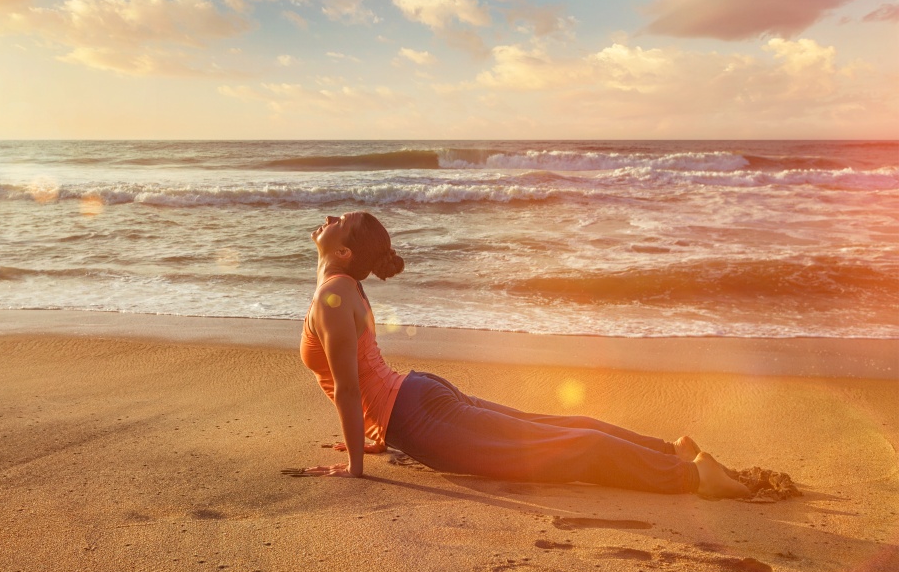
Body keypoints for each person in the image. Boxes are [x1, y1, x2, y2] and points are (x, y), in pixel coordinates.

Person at [290, 211, 751, 499]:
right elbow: (359, 378)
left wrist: (354, 465)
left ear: (344, 250)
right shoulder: (344, 291)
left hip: (417, 413)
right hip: (414, 399)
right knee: (550, 427)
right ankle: (671, 450)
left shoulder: (332, 297)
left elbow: (351, 386)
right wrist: (374, 436)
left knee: (556, 449)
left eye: (338, 221)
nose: (328, 218)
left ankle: (692, 478)